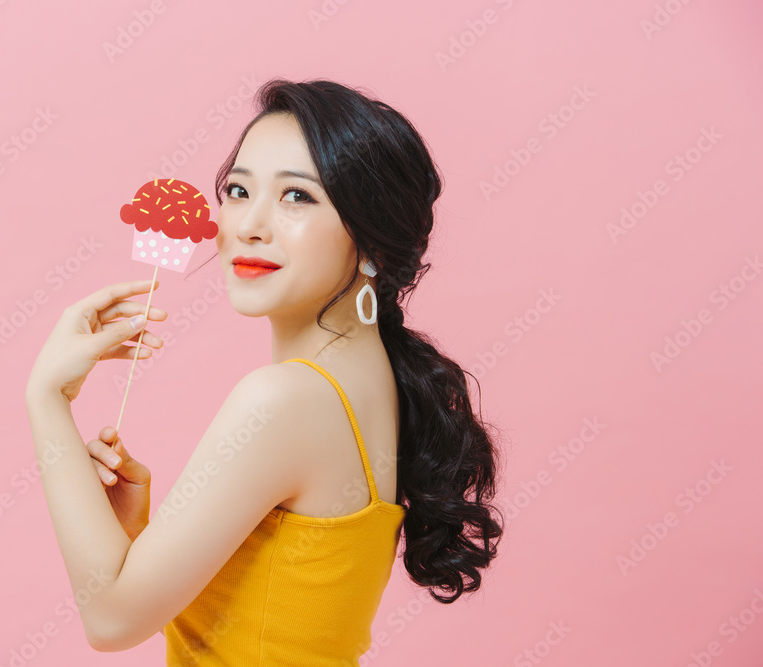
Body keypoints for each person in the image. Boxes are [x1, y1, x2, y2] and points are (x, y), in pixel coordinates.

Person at [25, 78, 505, 664]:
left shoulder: (285, 399)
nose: (250, 224)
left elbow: (111, 620)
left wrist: (47, 399)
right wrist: (137, 544)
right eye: (237, 189)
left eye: (298, 197)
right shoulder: (372, 378)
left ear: (372, 238)